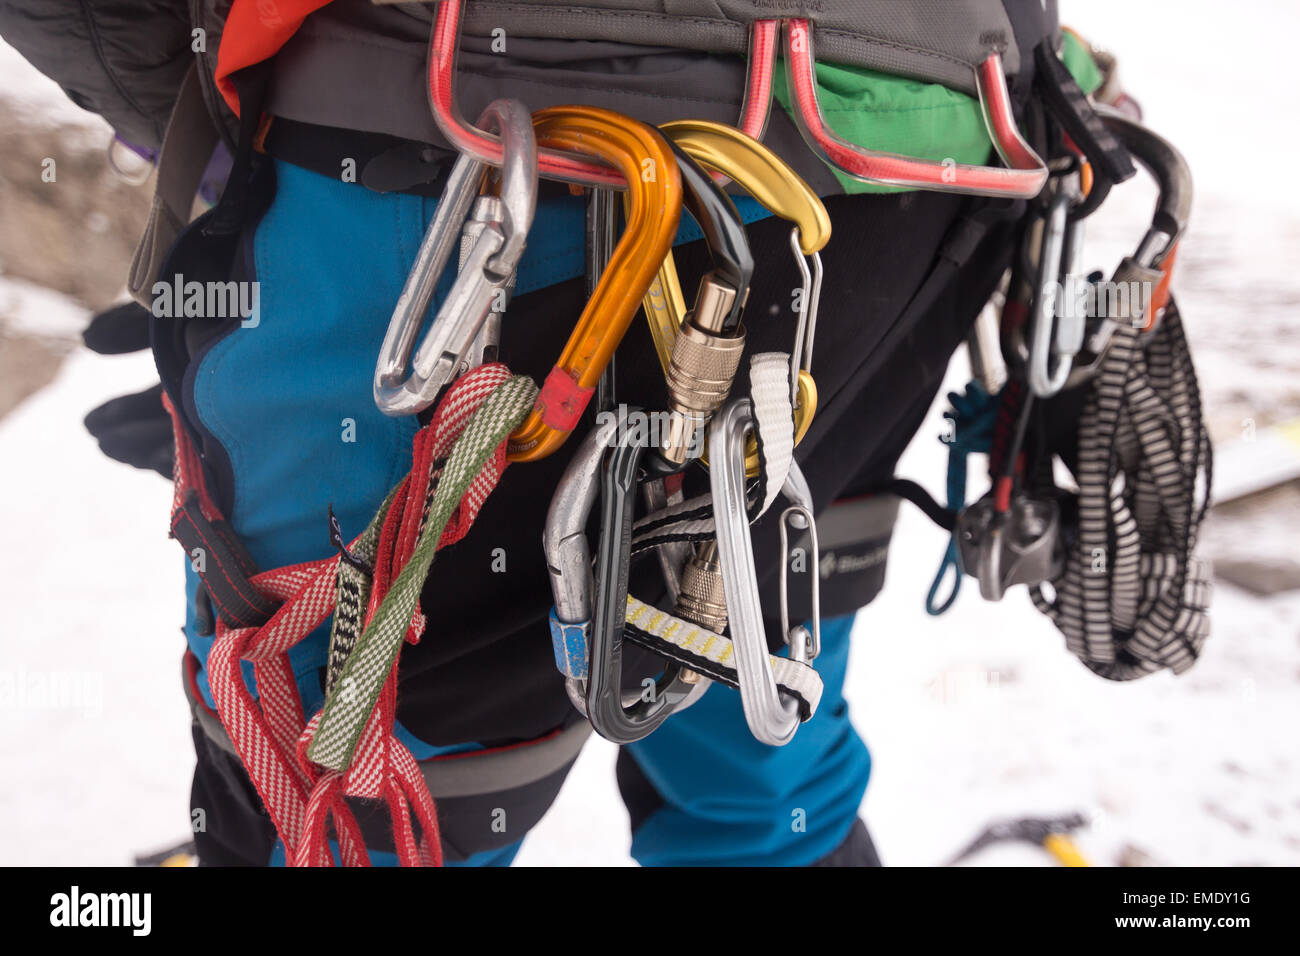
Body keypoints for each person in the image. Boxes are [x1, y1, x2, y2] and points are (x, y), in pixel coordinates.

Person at [0, 0, 1074, 866]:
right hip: (916, 173)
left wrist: (229, 150)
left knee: (351, 802)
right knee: (759, 731)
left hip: (432, 134)